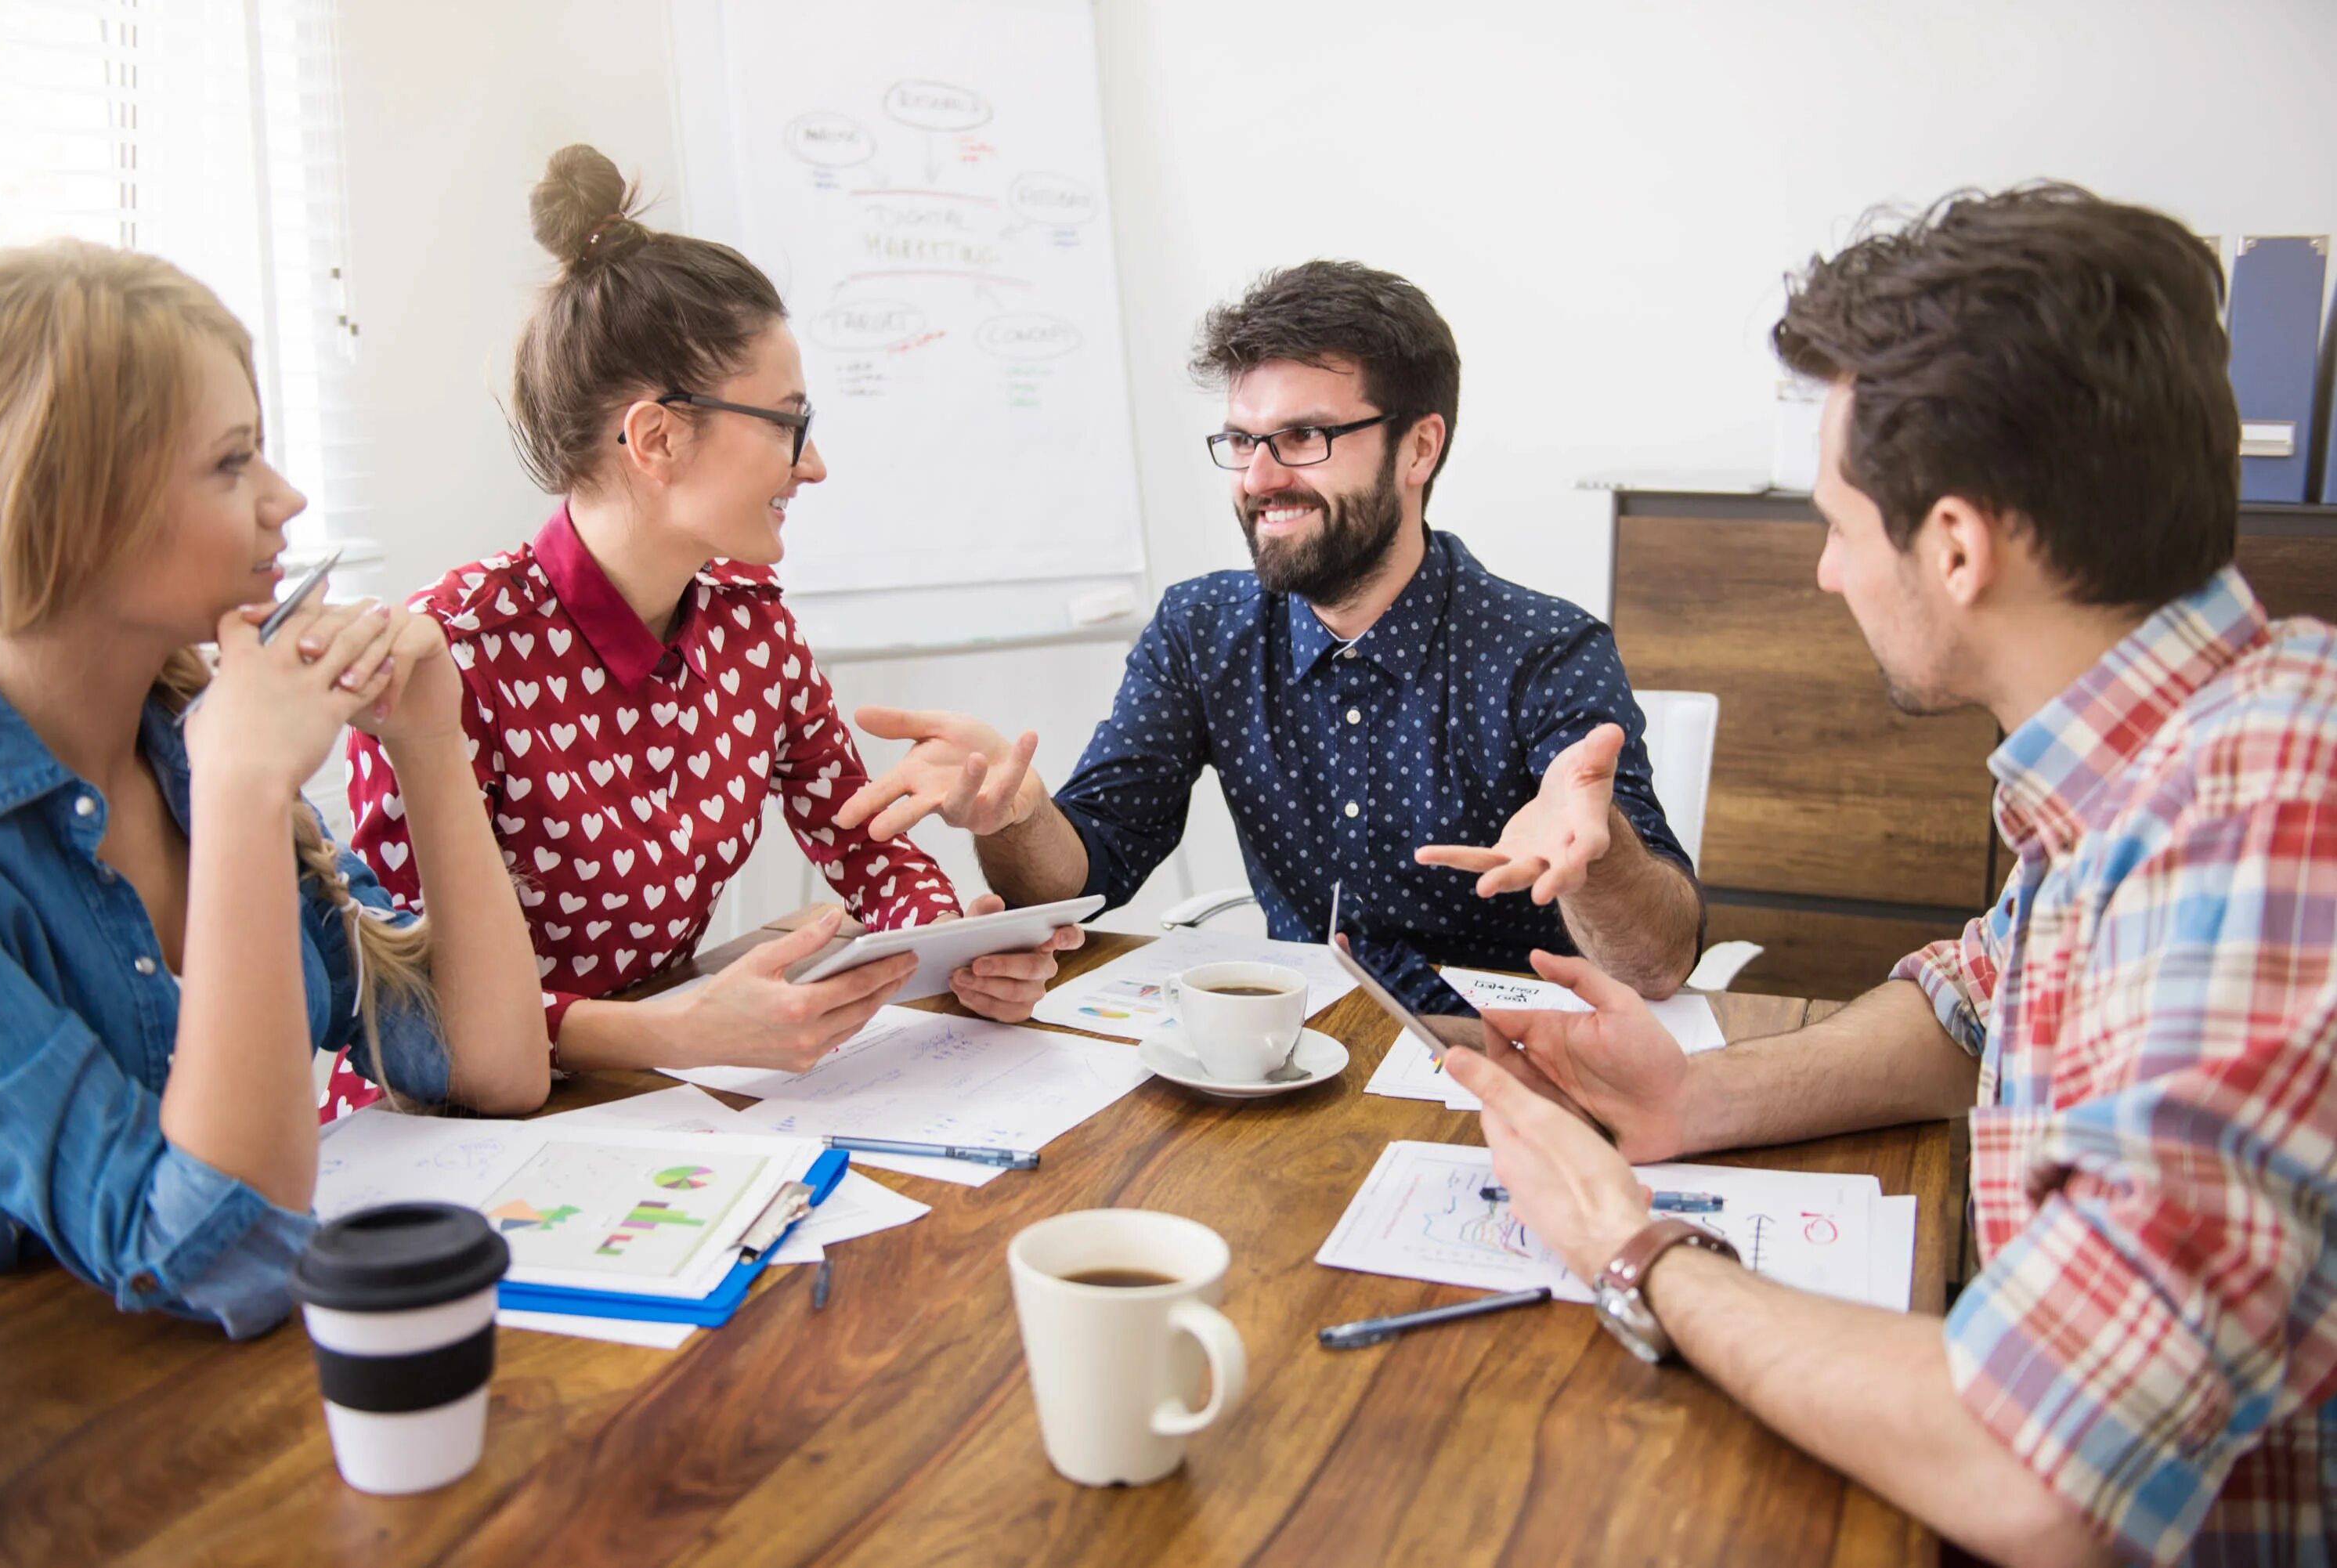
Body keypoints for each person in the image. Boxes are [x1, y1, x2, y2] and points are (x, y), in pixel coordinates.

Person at [1447, 186, 2337, 1566]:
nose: (1822, 569)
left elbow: (2046, 1465)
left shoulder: (2271, 805)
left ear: (1960, 548)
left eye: (1842, 525)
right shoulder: (2153, 750)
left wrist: (1639, 1251)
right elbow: (1971, 1006)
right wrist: (1700, 1092)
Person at [345, 146, 1076, 1104]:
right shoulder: (451, 649)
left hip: (651, 1093)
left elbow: (862, 842)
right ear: (656, 438)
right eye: (786, 424)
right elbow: (403, 1003)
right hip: (444, 1133)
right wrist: (675, 1030)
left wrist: (952, 949)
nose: (811, 468)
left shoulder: (752, 627)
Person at [836, 261, 1703, 1003]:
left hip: (1498, 1066)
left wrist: (1602, 854)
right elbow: (1090, 873)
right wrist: (1016, 814)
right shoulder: (1203, 628)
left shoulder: (1544, 649)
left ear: (1419, 448)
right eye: (1242, 441)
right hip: (1291, 1052)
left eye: (1304, 438)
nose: (1258, 478)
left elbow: (1659, 966)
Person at [0, 242, 550, 1336]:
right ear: (70, 506)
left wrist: (431, 747)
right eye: (234, 461)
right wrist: (245, 791)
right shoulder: (223, 767)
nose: (285, 498)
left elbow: (490, 1065)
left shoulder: (176, 749)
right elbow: (222, 1255)